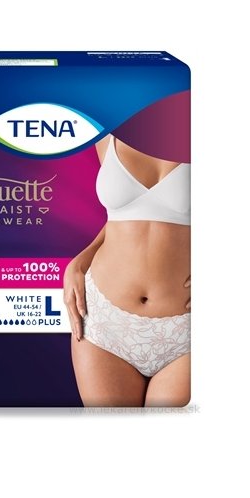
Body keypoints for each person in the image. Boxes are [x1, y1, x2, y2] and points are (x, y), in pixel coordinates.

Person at [64, 135, 191, 407]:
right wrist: (79, 262)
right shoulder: (109, 131)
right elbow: (121, 217)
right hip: (103, 320)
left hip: (186, 329)